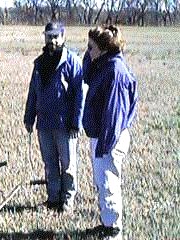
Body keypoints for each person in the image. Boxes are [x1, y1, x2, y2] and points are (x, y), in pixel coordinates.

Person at [82, 25, 138, 239]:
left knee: (109, 184)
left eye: (90, 47)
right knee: (103, 184)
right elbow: (85, 74)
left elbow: (114, 114)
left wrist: (104, 147)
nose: (87, 51)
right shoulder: (102, 64)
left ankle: (113, 231)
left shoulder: (114, 70)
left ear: (103, 49)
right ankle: (107, 224)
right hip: (102, 136)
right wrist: (90, 53)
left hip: (109, 139)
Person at [24, 22, 84, 211]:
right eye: (49, 36)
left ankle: (67, 200)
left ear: (63, 37)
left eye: (56, 36)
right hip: (44, 124)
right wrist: (29, 117)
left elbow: (79, 95)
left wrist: (76, 122)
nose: (52, 40)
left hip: (65, 125)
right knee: (50, 164)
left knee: (67, 165)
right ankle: (53, 199)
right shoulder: (39, 63)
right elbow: (33, 92)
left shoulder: (72, 61)